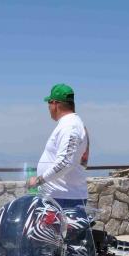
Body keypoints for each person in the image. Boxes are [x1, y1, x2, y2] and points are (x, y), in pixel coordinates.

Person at [27, 83, 90, 211]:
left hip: (63, 199)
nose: (48, 108)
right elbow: (83, 161)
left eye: (49, 104)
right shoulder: (73, 124)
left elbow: (64, 162)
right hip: (61, 197)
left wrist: (39, 180)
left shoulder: (69, 126)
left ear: (55, 104)